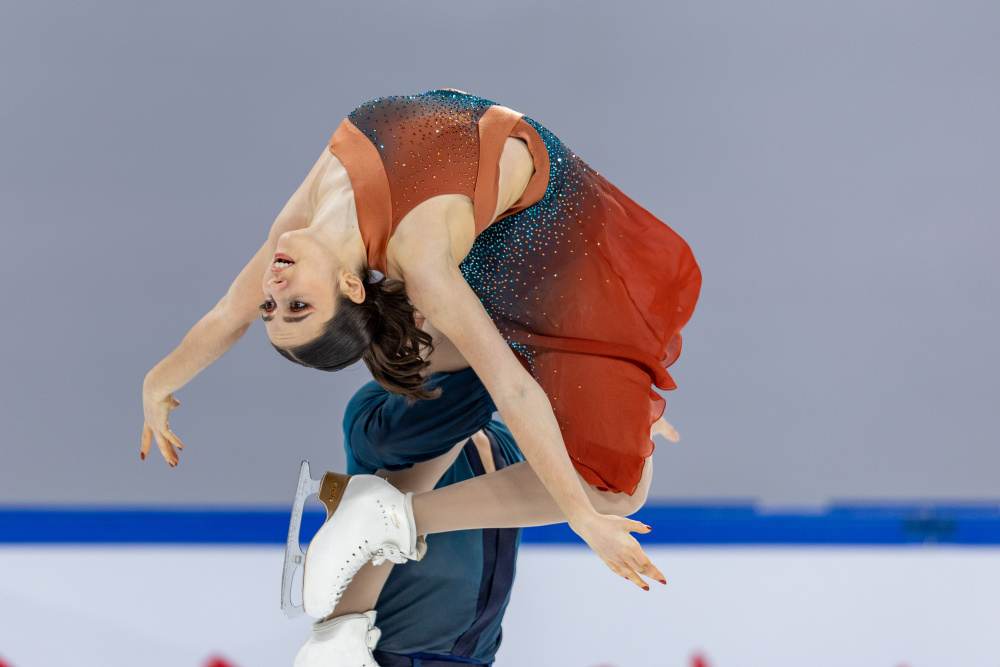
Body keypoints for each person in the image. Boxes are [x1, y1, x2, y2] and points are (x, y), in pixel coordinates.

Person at [141, 89, 701, 627]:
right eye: (299, 306)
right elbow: (512, 388)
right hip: (556, 248)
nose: (275, 284)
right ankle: (386, 530)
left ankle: (376, 528)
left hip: (511, 228)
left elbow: (225, 316)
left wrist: (155, 384)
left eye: (275, 305)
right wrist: (580, 516)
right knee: (616, 493)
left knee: (591, 440)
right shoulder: (421, 259)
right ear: (350, 287)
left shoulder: (298, 223)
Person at [295, 367, 522, 666]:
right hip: (386, 654)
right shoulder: (378, 410)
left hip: (475, 657)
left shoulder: (506, 436)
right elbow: (442, 411)